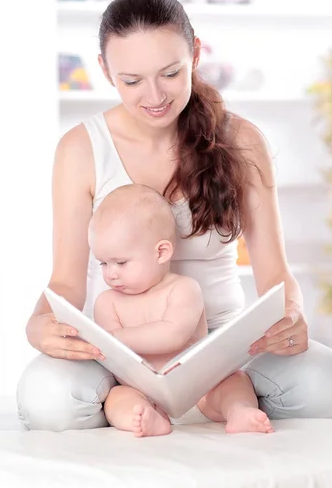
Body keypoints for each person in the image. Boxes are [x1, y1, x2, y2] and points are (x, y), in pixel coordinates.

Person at [16, 0, 332, 432]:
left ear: (194, 54)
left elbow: (276, 276)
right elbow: (65, 283)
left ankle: (225, 397)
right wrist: (39, 325)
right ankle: (131, 400)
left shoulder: (241, 139)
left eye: (170, 73)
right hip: (120, 347)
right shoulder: (82, 148)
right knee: (46, 397)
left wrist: (291, 316)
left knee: (321, 379)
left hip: (222, 349)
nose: (154, 96)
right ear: (105, 70)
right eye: (131, 80)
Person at [91, 183, 274, 437]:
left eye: (121, 262)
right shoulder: (107, 302)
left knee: (235, 382)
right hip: (145, 394)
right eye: (103, 263)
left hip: (200, 391)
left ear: (161, 252)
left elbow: (173, 335)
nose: (110, 274)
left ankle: (238, 411)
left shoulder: (184, 289)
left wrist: (115, 337)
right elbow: (110, 352)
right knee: (117, 398)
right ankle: (146, 419)